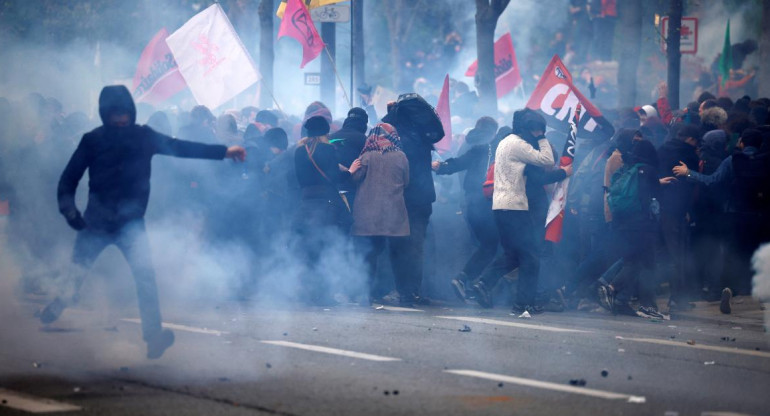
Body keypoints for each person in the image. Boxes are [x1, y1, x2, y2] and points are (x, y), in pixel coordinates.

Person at [39, 85, 246, 359]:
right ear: (105, 114)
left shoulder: (143, 137)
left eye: (124, 113)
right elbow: (68, 180)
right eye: (115, 114)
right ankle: (59, 302)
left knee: (146, 279)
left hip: (131, 224)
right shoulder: (93, 140)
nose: (121, 119)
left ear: (131, 112)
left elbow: (179, 147)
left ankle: (153, 336)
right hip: (96, 222)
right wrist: (70, 212)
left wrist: (223, 152)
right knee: (77, 273)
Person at [672, 128, 770, 314]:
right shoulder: (766, 161)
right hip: (761, 217)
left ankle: (728, 289)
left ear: (741, 142)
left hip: (736, 215)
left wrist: (689, 173)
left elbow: (712, 180)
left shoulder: (733, 160)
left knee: (733, 254)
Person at [484, 109, 554, 315]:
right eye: (537, 130)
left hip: (501, 206)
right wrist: (541, 137)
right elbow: (547, 159)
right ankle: (523, 304)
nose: (538, 133)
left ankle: (482, 283)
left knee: (513, 255)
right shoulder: (518, 144)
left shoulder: (505, 142)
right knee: (531, 257)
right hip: (515, 207)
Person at [381, 93, 444, 306]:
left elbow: (382, 129)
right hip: (423, 198)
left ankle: (401, 290)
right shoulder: (422, 135)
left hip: (402, 198)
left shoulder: (399, 137)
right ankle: (413, 291)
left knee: (399, 246)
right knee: (416, 246)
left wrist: (391, 113)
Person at [293, 116, 361, 305]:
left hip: (306, 201)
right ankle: (323, 292)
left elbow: (301, 177)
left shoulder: (299, 151)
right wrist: (349, 172)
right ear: (325, 132)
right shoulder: (328, 148)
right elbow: (334, 177)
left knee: (309, 247)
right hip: (326, 202)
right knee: (327, 244)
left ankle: (307, 290)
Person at [432, 117, 499, 301]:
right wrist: (442, 167)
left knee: (486, 246)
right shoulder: (490, 147)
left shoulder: (471, 145)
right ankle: (470, 281)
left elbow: (459, 163)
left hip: (469, 204)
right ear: (494, 132)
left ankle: (476, 286)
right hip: (486, 204)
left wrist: (441, 167)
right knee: (492, 246)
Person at [597, 140, 665, 319]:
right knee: (645, 262)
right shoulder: (648, 170)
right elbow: (656, 197)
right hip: (642, 225)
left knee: (632, 259)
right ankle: (613, 288)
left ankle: (619, 298)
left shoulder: (626, 170)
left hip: (623, 224)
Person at [350, 123, 409, 304]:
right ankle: (399, 292)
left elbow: (355, 178)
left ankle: (366, 292)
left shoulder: (366, 156)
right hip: (394, 214)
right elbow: (406, 182)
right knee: (396, 254)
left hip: (368, 214)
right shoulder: (401, 156)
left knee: (370, 254)